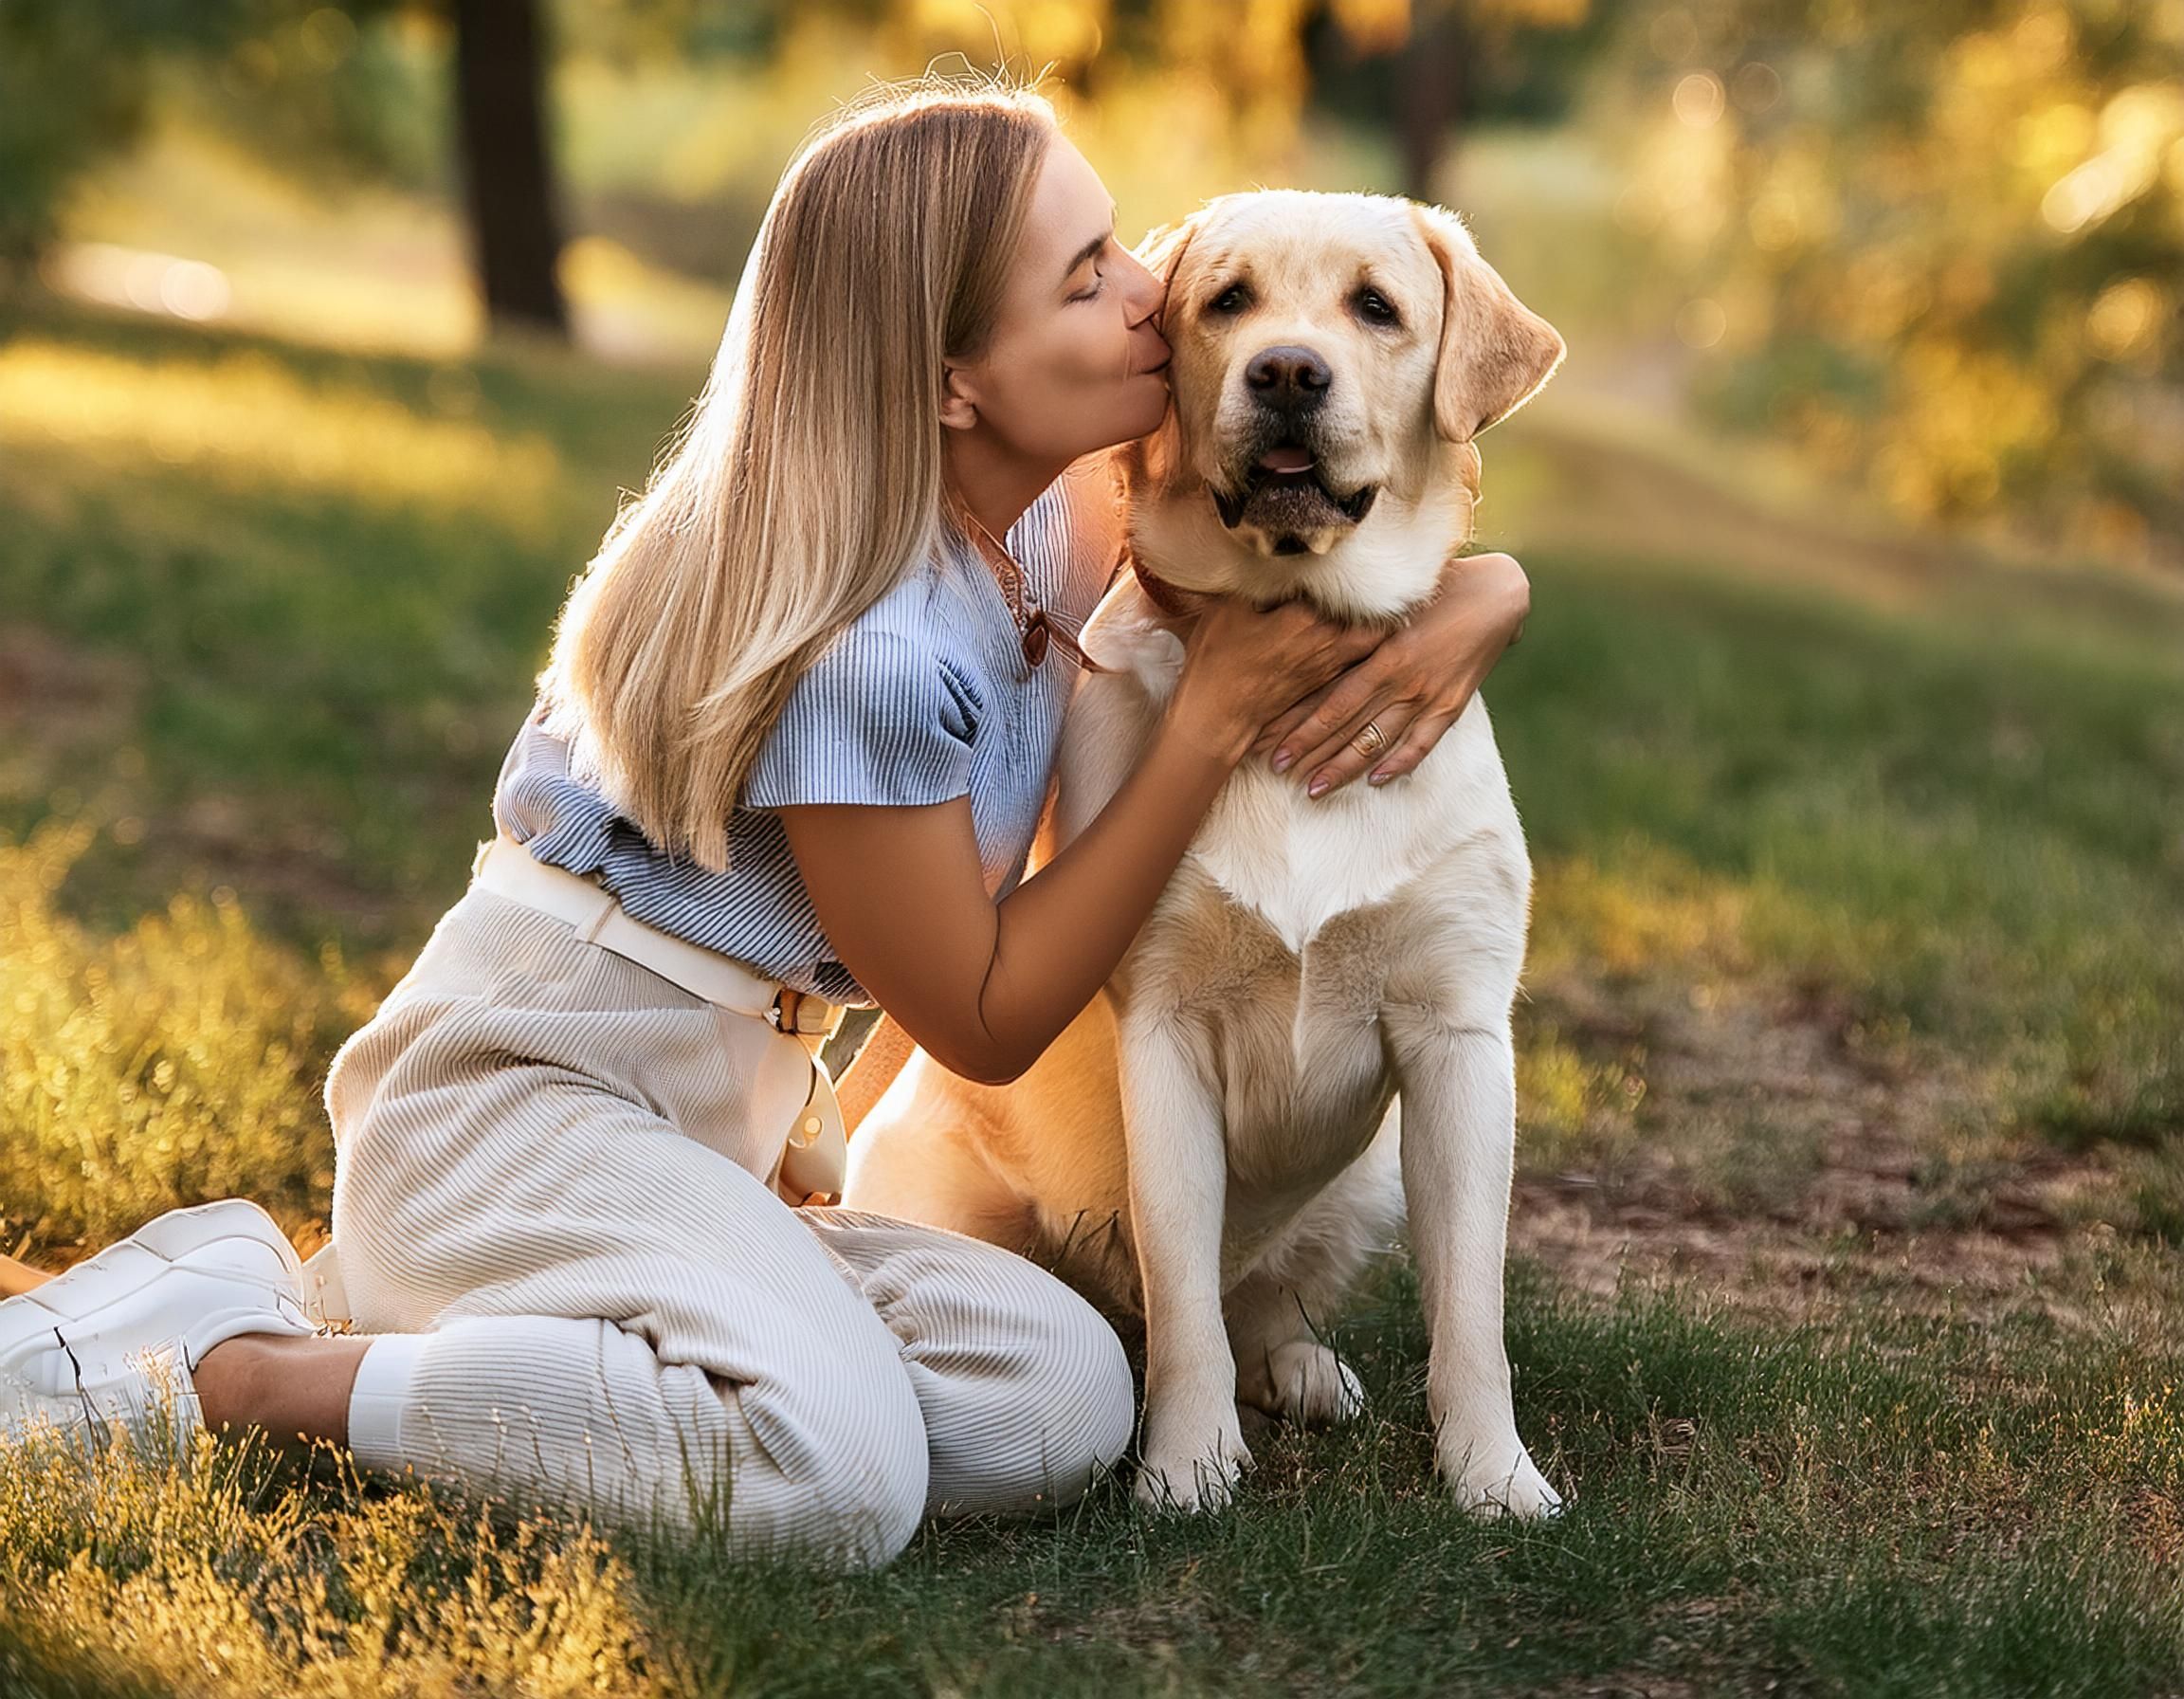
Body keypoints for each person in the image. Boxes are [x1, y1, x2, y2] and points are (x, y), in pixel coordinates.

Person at [0, 75, 1534, 1569]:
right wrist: (1199, 734)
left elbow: (1320, 522)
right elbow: (986, 1020)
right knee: (842, 1476)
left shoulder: (1025, 532)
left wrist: (1487, 590)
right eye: (1088, 279)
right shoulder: (868, 646)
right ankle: (242, 1371)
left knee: (1061, 1402)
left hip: (707, 1139)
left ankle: (523, 1334)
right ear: (953, 383)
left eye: (1123, 247)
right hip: (523, 1106)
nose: (1152, 296)